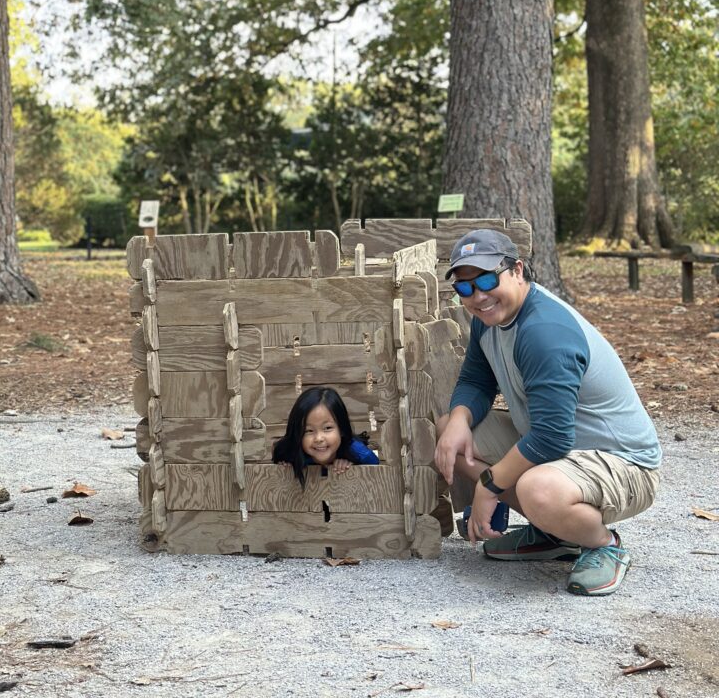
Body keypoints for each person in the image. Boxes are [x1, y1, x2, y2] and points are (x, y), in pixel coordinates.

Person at [435, 229, 661, 597]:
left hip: (624, 463)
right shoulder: (488, 320)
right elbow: (476, 380)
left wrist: (488, 487)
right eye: (465, 288)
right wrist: (459, 419)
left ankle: (603, 544)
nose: (478, 296)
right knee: (453, 433)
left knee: (537, 488)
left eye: (488, 279)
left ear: (518, 270)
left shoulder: (543, 332)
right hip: (562, 455)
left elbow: (552, 437)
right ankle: (554, 533)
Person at [273, 386, 379, 486]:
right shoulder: (290, 452)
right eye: (309, 430)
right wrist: (286, 465)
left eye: (327, 428)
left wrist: (352, 463)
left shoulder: (355, 450)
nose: (319, 438)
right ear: (298, 434)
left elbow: (375, 465)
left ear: (341, 429)